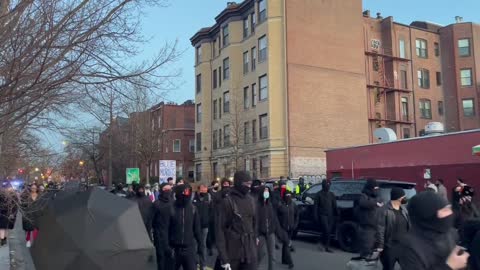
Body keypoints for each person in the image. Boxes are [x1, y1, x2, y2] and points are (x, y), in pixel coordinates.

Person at [398, 191, 469, 270]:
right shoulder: (408, 246)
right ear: (428, 216)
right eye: (444, 211)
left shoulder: (451, 233)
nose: (450, 213)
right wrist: (449, 266)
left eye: (449, 209)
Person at [216, 171, 257, 270]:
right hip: (232, 252)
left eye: (250, 184)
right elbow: (219, 230)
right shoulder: (227, 202)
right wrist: (224, 258)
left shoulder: (251, 200)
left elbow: (254, 222)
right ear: (239, 183)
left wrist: (255, 237)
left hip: (249, 252)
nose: (248, 186)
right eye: (246, 184)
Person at [169, 184, 202, 270]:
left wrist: (200, 245)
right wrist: (167, 246)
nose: (186, 195)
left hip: (189, 249)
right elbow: (166, 229)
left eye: (188, 192)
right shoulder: (171, 208)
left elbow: (197, 229)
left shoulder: (193, 209)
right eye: (184, 192)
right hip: (174, 249)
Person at [377, 187, 410, 270]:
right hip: (390, 247)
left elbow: (408, 226)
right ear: (398, 198)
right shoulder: (384, 210)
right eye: (404, 197)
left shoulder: (404, 209)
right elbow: (380, 228)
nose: (405, 198)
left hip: (403, 246)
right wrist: (380, 245)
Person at [256, 187, 287, 270]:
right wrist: (255, 235)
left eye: (268, 191)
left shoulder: (271, 204)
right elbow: (255, 221)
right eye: (265, 191)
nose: (266, 193)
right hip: (260, 233)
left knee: (272, 255)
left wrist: (280, 234)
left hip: (270, 232)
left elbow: (275, 219)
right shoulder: (257, 205)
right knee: (260, 253)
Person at [355, 179, 383, 258]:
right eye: (375, 188)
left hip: (377, 228)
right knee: (366, 253)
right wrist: (375, 203)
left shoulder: (377, 197)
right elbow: (363, 203)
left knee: (374, 253)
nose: (377, 190)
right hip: (367, 228)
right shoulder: (363, 196)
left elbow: (381, 203)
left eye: (378, 189)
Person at [152, 183, 174, 270]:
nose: (168, 191)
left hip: (171, 235)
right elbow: (152, 220)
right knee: (161, 257)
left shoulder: (173, 202)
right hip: (159, 235)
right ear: (162, 190)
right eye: (166, 190)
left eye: (170, 190)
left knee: (170, 258)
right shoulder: (156, 204)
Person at [277, 191, 299, 269]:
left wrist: (295, 224)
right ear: (284, 197)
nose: (288, 197)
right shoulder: (280, 205)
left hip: (291, 228)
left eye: (289, 195)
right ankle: (290, 262)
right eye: (287, 195)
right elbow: (276, 218)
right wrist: (278, 228)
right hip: (283, 228)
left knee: (285, 244)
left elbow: (297, 215)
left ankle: (284, 260)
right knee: (286, 243)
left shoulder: (293, 205)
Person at [314, 180, 337, 252]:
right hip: (322, 215)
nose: (328, 186)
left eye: (329, 184)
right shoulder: (318, 194)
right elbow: (316, 207)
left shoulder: (331, 194)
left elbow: (334, 206)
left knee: (328, 232)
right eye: (326, 184)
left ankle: (324, 244)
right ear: (323, 185)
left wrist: (337, 214)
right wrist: (316, 216)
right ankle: (325, 246)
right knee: (326, 230)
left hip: (330, 215)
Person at [193, 184, 212, 270]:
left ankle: (203, 265)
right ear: (198, 190)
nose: (204, 192)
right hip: (194, 226)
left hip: (205, 226)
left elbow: (211, 209)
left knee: (203, 245)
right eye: (202, 190)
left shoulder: (208, 197)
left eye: (205, 190)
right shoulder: (193, 197)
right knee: (194, 245)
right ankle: (194, 263)